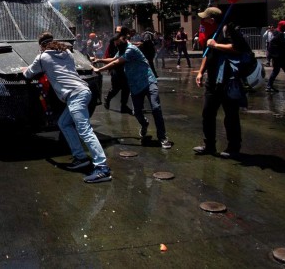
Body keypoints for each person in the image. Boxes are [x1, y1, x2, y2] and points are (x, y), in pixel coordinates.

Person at [22, 32, 111, 183]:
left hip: (75, 95)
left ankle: (102, 168)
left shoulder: (42, 57)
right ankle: (80, 158)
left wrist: (25, 69)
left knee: (85, 131)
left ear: (41, 45)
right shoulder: (67, 52)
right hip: (83, 91)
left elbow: (29, 74)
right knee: (64, 123)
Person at [93, 33, 172, 149]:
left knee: (156, 107)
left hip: (148, 81)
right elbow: (114, 58)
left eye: (118, 44)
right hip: (135, 85)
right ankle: (144, 124)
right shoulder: (122, 50)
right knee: (137, 112)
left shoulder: (131, 49)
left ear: (124, 41)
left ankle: (162, 137)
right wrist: (99, 60)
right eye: (116, 45)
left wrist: (99, 69)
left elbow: (116, 62)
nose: (117, 47)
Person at [194, 7, 249, 158]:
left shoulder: (229, 30)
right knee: (207, 113)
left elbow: (239, 48)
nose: (203, 21)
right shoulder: (213, 33)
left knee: (231, 115)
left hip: (228, 80)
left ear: (212, 19)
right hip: (212, 81)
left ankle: (233, 147)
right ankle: (209, 145)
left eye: (205, 18)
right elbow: (208, 54)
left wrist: (216, 45)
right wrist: (200, 72)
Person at [100, 26, 132, 114]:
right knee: (117, 87)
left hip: (122, 65)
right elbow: (110, 54)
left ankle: (123, 106)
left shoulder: (124, 39)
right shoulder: (115, 40)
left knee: (125, 87)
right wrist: (109, 66)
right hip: (116, 65)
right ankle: (108, 98)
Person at [266, 20, 285, 93]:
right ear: (283, 27)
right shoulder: (280, 34)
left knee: (276, 71)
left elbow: (271, 45)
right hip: (280, 57)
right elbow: (283, 46)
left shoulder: (275, 32)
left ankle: (269, 86)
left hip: (276, 56)